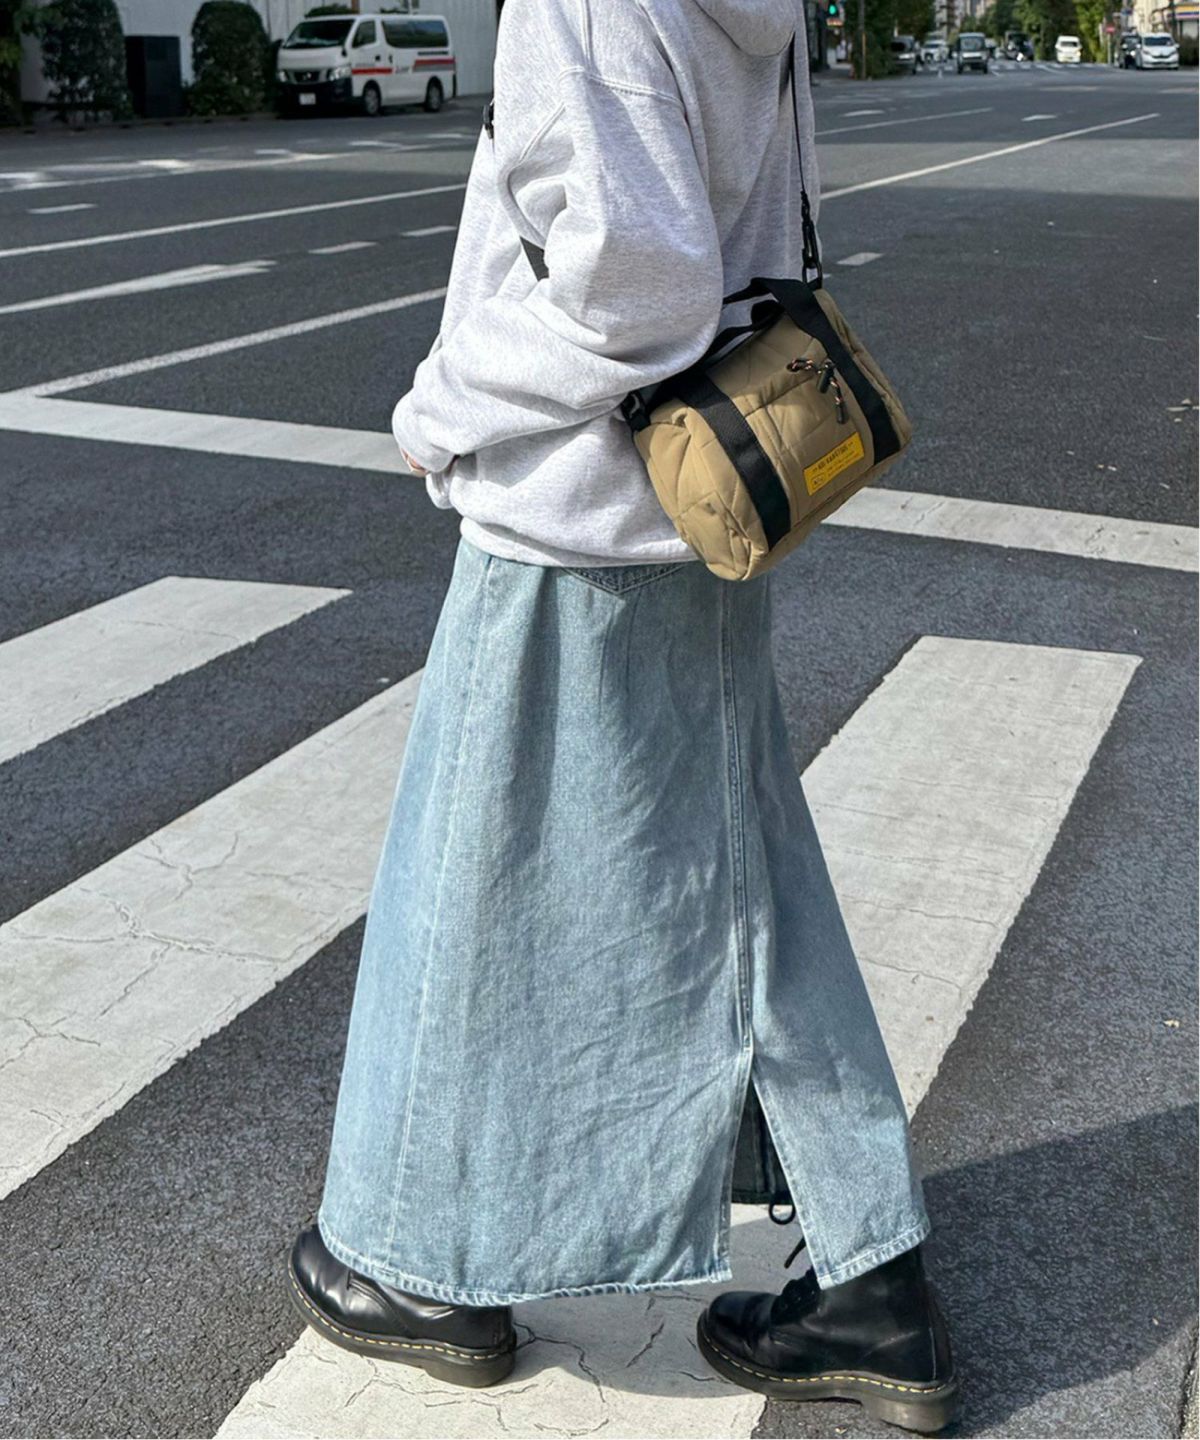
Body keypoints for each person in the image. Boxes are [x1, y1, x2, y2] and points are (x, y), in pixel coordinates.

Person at [288, 0, 958, 1429]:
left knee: (472, 896)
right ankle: (868, 1266)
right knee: (751, 888)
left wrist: (438, 408)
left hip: (575, 521)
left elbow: (631, 292)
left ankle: (422, 1267)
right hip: (705, 500)